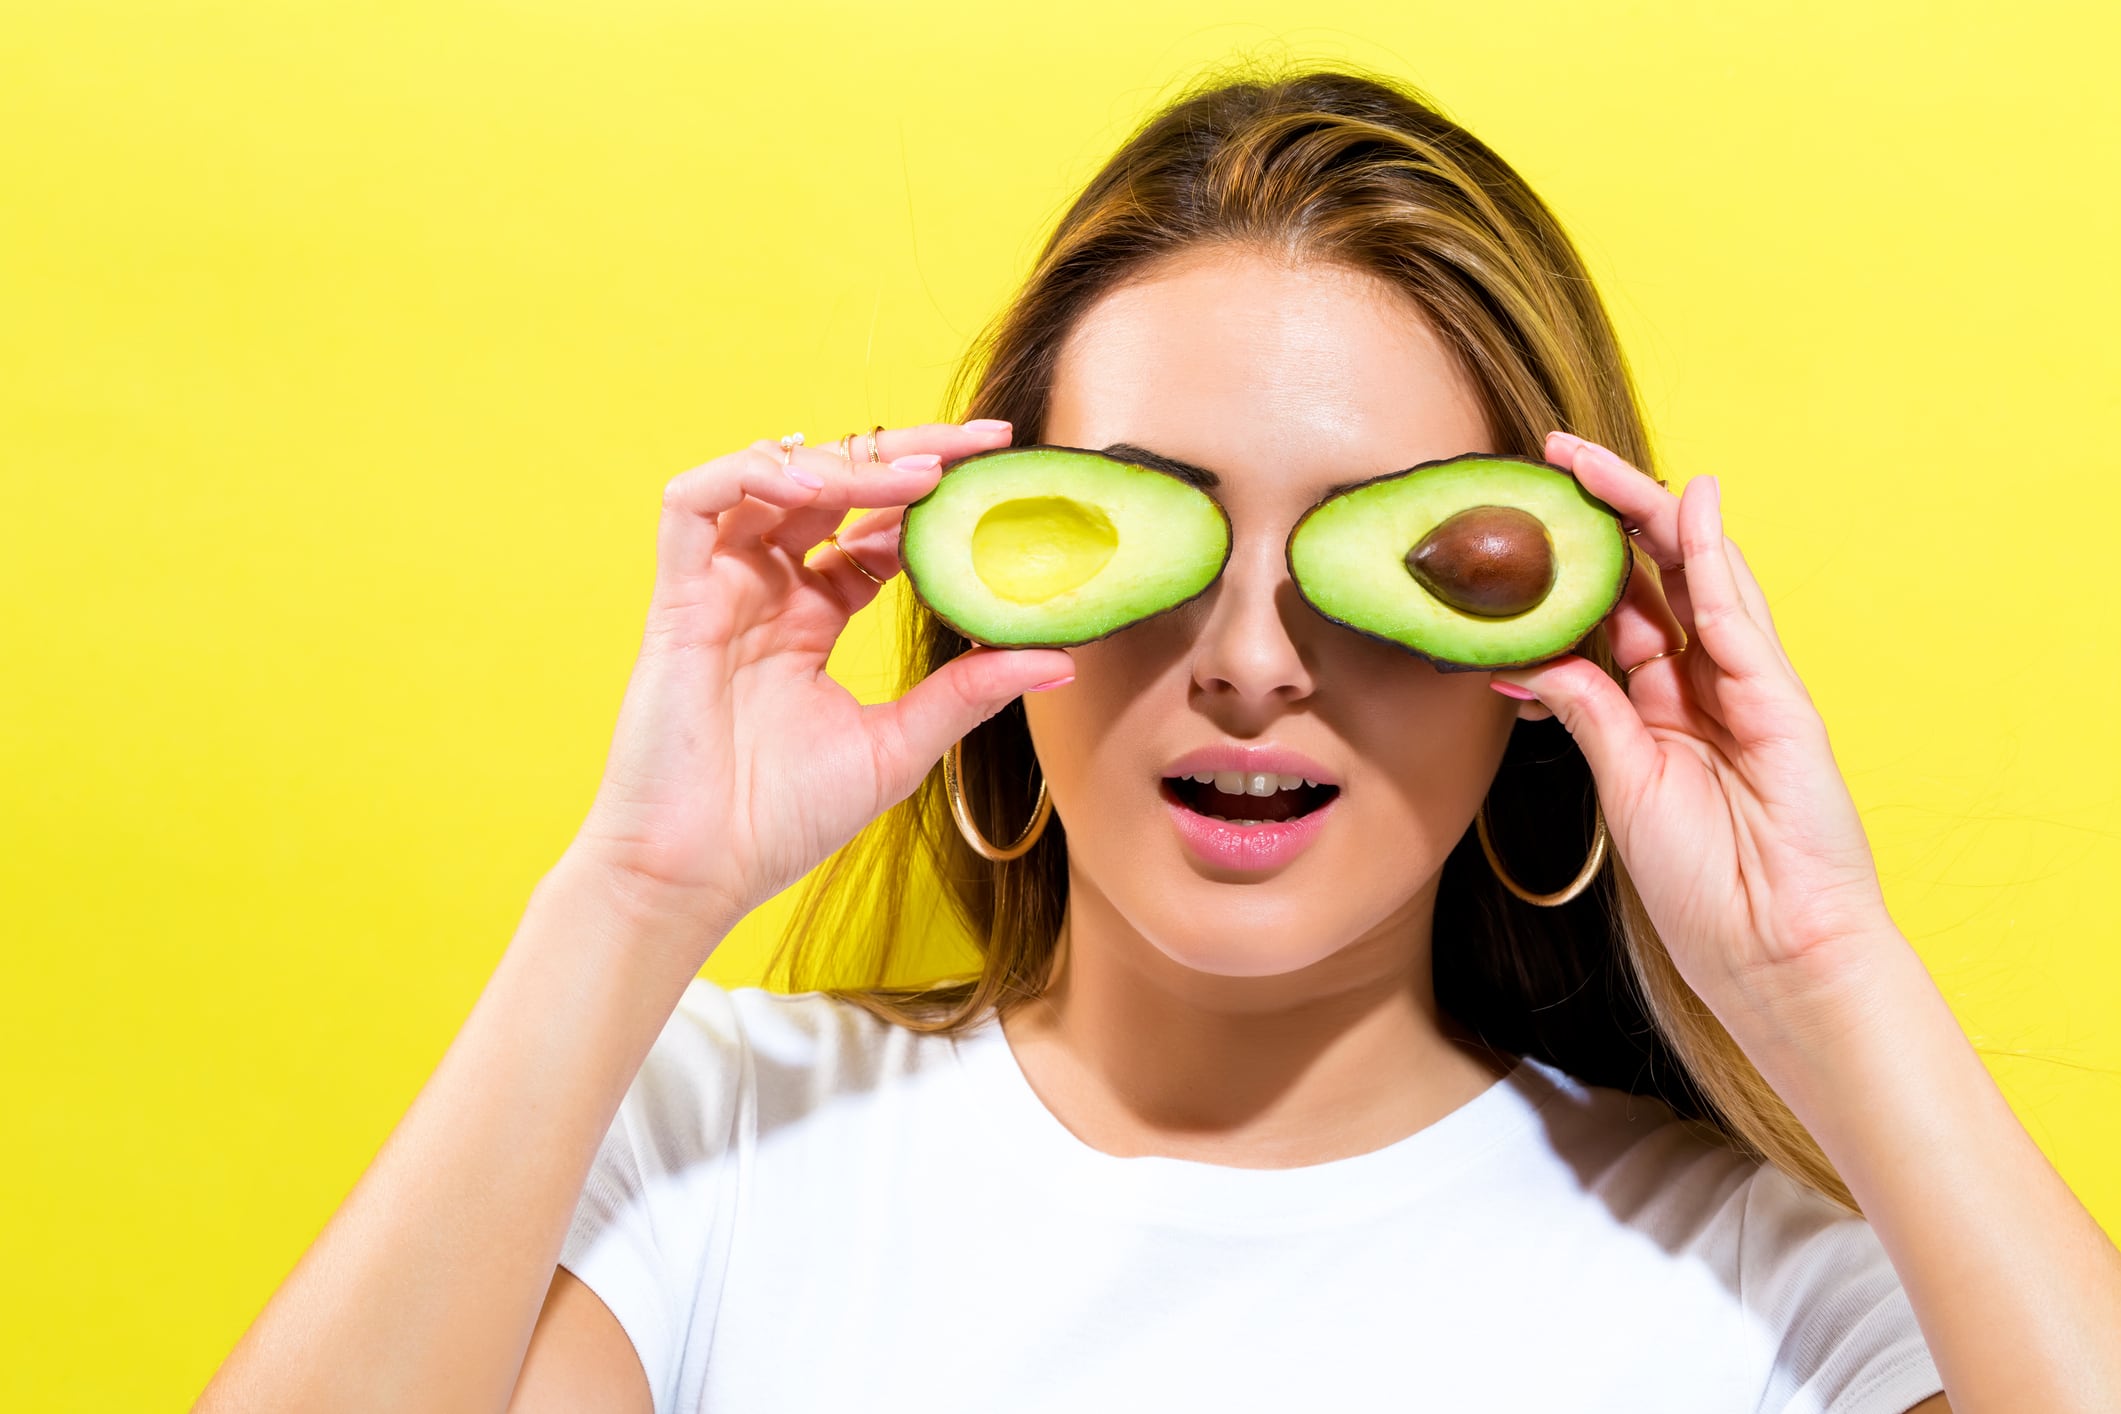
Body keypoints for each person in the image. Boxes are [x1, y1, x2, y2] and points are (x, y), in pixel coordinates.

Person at [193, 65, 2120, 1414]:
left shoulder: (1787, 1293)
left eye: (1384, 550)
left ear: (1535, 648)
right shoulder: (709, 1134)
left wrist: (1825, 971)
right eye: (1145, 531)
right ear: (994, 590)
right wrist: (627, 897)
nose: (1250, 660)